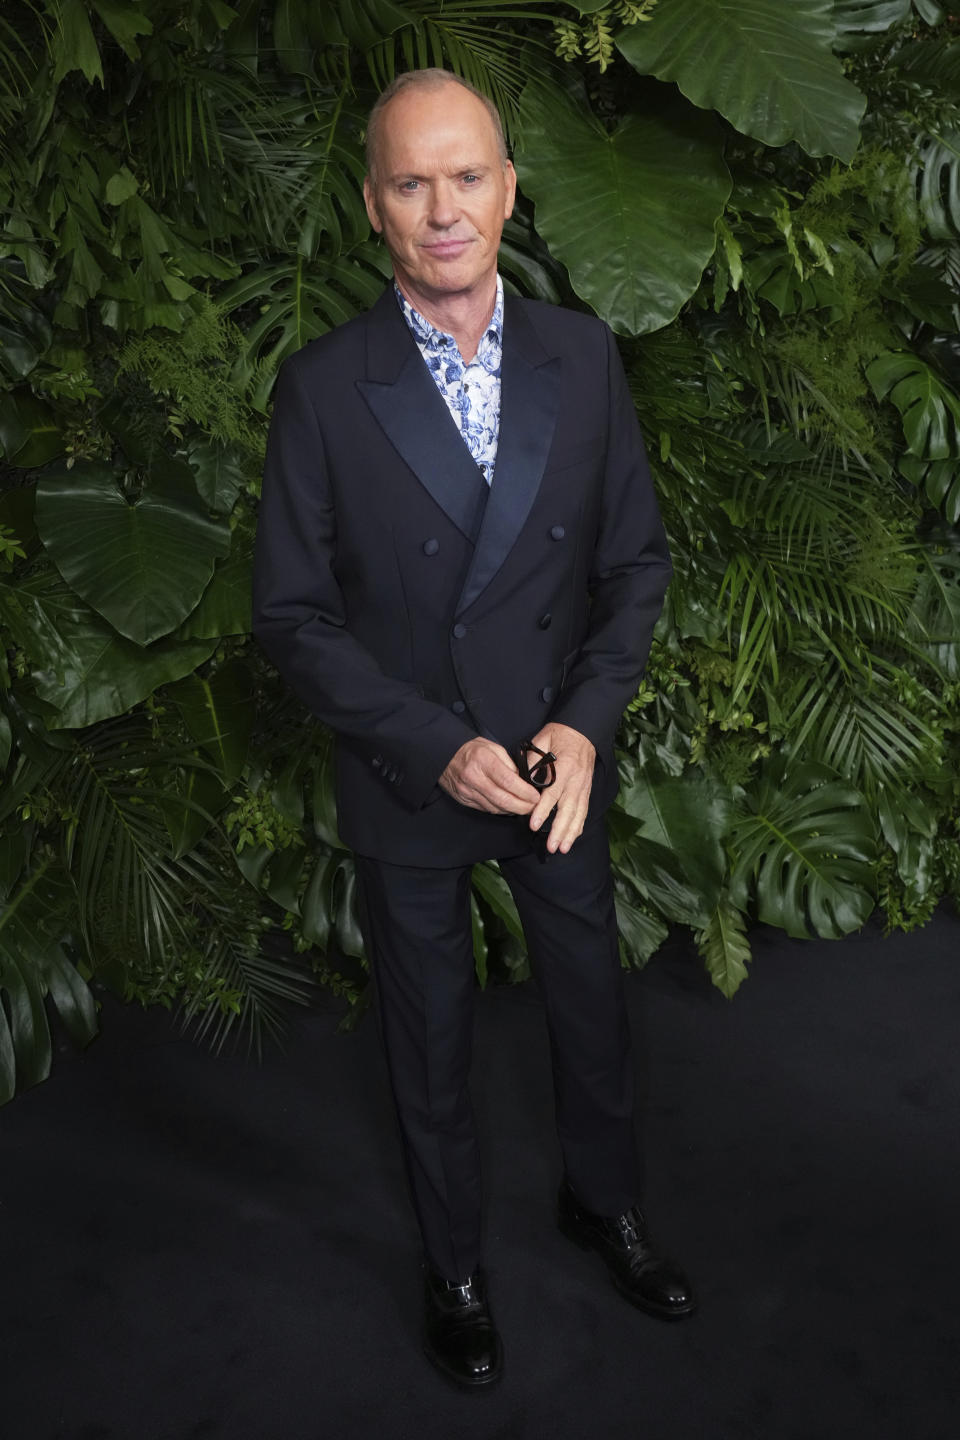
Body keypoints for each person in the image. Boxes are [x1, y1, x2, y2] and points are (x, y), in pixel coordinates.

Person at [253, 68, 694, 1390]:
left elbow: (635, 567)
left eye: (466, 176)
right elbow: (292, 616)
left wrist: (585, 722)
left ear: (509, 188)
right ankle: (452, 1268)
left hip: (552, 762)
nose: (442, 208)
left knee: (590, 1008)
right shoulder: (325, 390)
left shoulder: (584, 356)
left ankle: (601, 1203)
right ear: (375, 210)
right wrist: (432, 740)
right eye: (409, 181)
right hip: (413, 765)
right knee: (428, 1035)